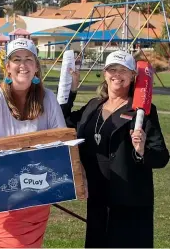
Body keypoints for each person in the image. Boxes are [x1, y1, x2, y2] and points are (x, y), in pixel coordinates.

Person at [0, 38, 67, 248]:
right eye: (16, 59)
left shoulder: (48, 99)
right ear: (7, 67)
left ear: (36, 66)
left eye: (28, 59)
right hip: (1, 201)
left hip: (37, 198)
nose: (23, 65)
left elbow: (62, 145)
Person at [62, 50, 169, 248]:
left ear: (132, 76)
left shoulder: (142, 111)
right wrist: (72, 90)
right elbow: (64, 122)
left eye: (123, 70)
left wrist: (142, 149)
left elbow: (161, 157)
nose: (117, 75)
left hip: (130, 203)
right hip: (98, 198)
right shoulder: (93, 106)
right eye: (112, 69)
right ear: (104, 73)